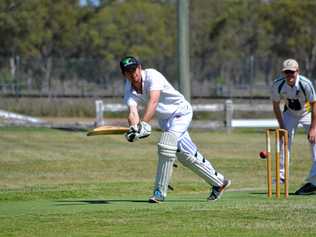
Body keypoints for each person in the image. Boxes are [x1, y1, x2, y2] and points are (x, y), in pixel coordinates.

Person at [119, 56, 231, 203]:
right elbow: (132, 112)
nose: (133, 74)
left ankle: (159, 192)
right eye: (129, 71)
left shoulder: (153, 76)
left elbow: (153, 101)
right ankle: (219, 182)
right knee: (186, 156)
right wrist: (134, 128)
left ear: (140, 68)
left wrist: (144, 124)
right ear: (124, 74)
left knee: (166, 145)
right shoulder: (129, 88)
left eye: (135, 70)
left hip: (180, 113)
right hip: (166, 120)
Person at [271, 58, 316, 195]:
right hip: (289, 114)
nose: (289, 76)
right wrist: (282, 126)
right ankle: (281, 176)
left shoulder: (305, 84)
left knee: (315, 142)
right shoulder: (278, 84)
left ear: (297, 71)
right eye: (287, 72)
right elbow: (276, 106)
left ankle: (314, 180)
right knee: (283, 141)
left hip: (307, 113)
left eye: (292, 72)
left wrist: (314, 128)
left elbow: (314, 104)